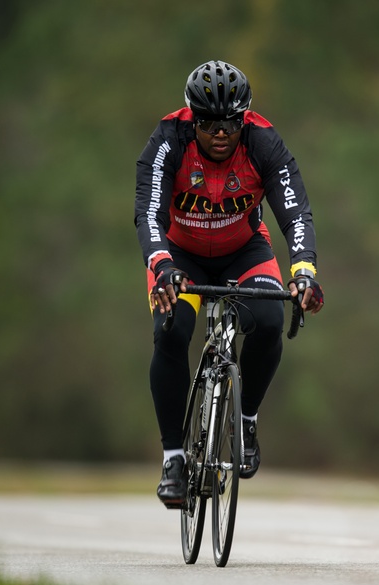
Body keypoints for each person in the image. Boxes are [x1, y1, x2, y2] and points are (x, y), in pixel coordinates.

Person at [134, 60, 323, 508]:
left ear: (245, 118)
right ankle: (174, 458)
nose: (221, 133)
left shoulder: (263, 142)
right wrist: (161, 265)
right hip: (179, 256)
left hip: (244, 250)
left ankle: (247, 417)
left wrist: (304, 273)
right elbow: (149, 211)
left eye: (231, 123)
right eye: (210, 124)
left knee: (269, 320)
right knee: (172, 330)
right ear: (191, 119)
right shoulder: (168, 141)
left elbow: (296, 214)